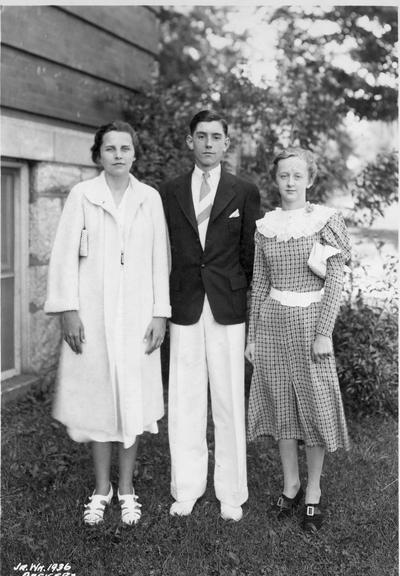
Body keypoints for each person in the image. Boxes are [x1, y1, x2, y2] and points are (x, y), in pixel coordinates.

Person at [45, 120, 171, 526]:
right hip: (94, 315)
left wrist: (159, 313)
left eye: (125, 148)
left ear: (135, 154)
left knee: (131, 399)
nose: (118, 155)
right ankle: (102, 488)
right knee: (100, 399)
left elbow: (159, 259)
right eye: (111, 148)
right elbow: (64, 255)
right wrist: (68, 309)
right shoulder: (83, 195)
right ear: (98, 154)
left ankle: (128, 488)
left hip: (136, 316)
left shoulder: (148, 198)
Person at [160, 110, 260, 521]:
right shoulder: (168, 191)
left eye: (215, 137)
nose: (207, 143)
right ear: (189, 142)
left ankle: (231, 491)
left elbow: (249, 254)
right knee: (184, 396)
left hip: (226, 305)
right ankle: (187, 486)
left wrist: (243, 296)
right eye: (200, 136)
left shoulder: (243, 191)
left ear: (226, 144)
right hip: (184, 302)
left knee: (228, 395)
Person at [245, 147, 351, 532]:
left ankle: (314, 491)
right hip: (272, 322)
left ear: (309, 179)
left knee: (314, 403)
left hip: (310, 324)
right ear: (276, 180)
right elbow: (259, 284)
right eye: (283, 176)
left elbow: (336, 278)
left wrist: (324, 331)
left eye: (296, 176)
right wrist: (253, 335)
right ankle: (291, 485)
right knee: (281, 404)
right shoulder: (266, 227)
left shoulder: (324, 221)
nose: (289, 182)